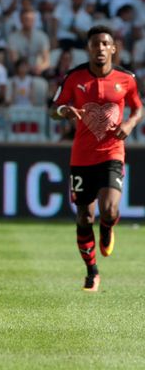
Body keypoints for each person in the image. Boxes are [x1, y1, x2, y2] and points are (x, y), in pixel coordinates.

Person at [50, 25, 142, 292]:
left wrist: (130, 124)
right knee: (83, 217)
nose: (100, 49)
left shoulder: (126, 78)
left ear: (113, 48)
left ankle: (108, 227)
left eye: (105, 44)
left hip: (112, 152)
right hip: (81, 157)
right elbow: (53, 109)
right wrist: (65, 110)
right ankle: (92, 272)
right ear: (88, 48)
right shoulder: (74, 77)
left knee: (110, 209)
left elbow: (138, 107)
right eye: (95, 44)